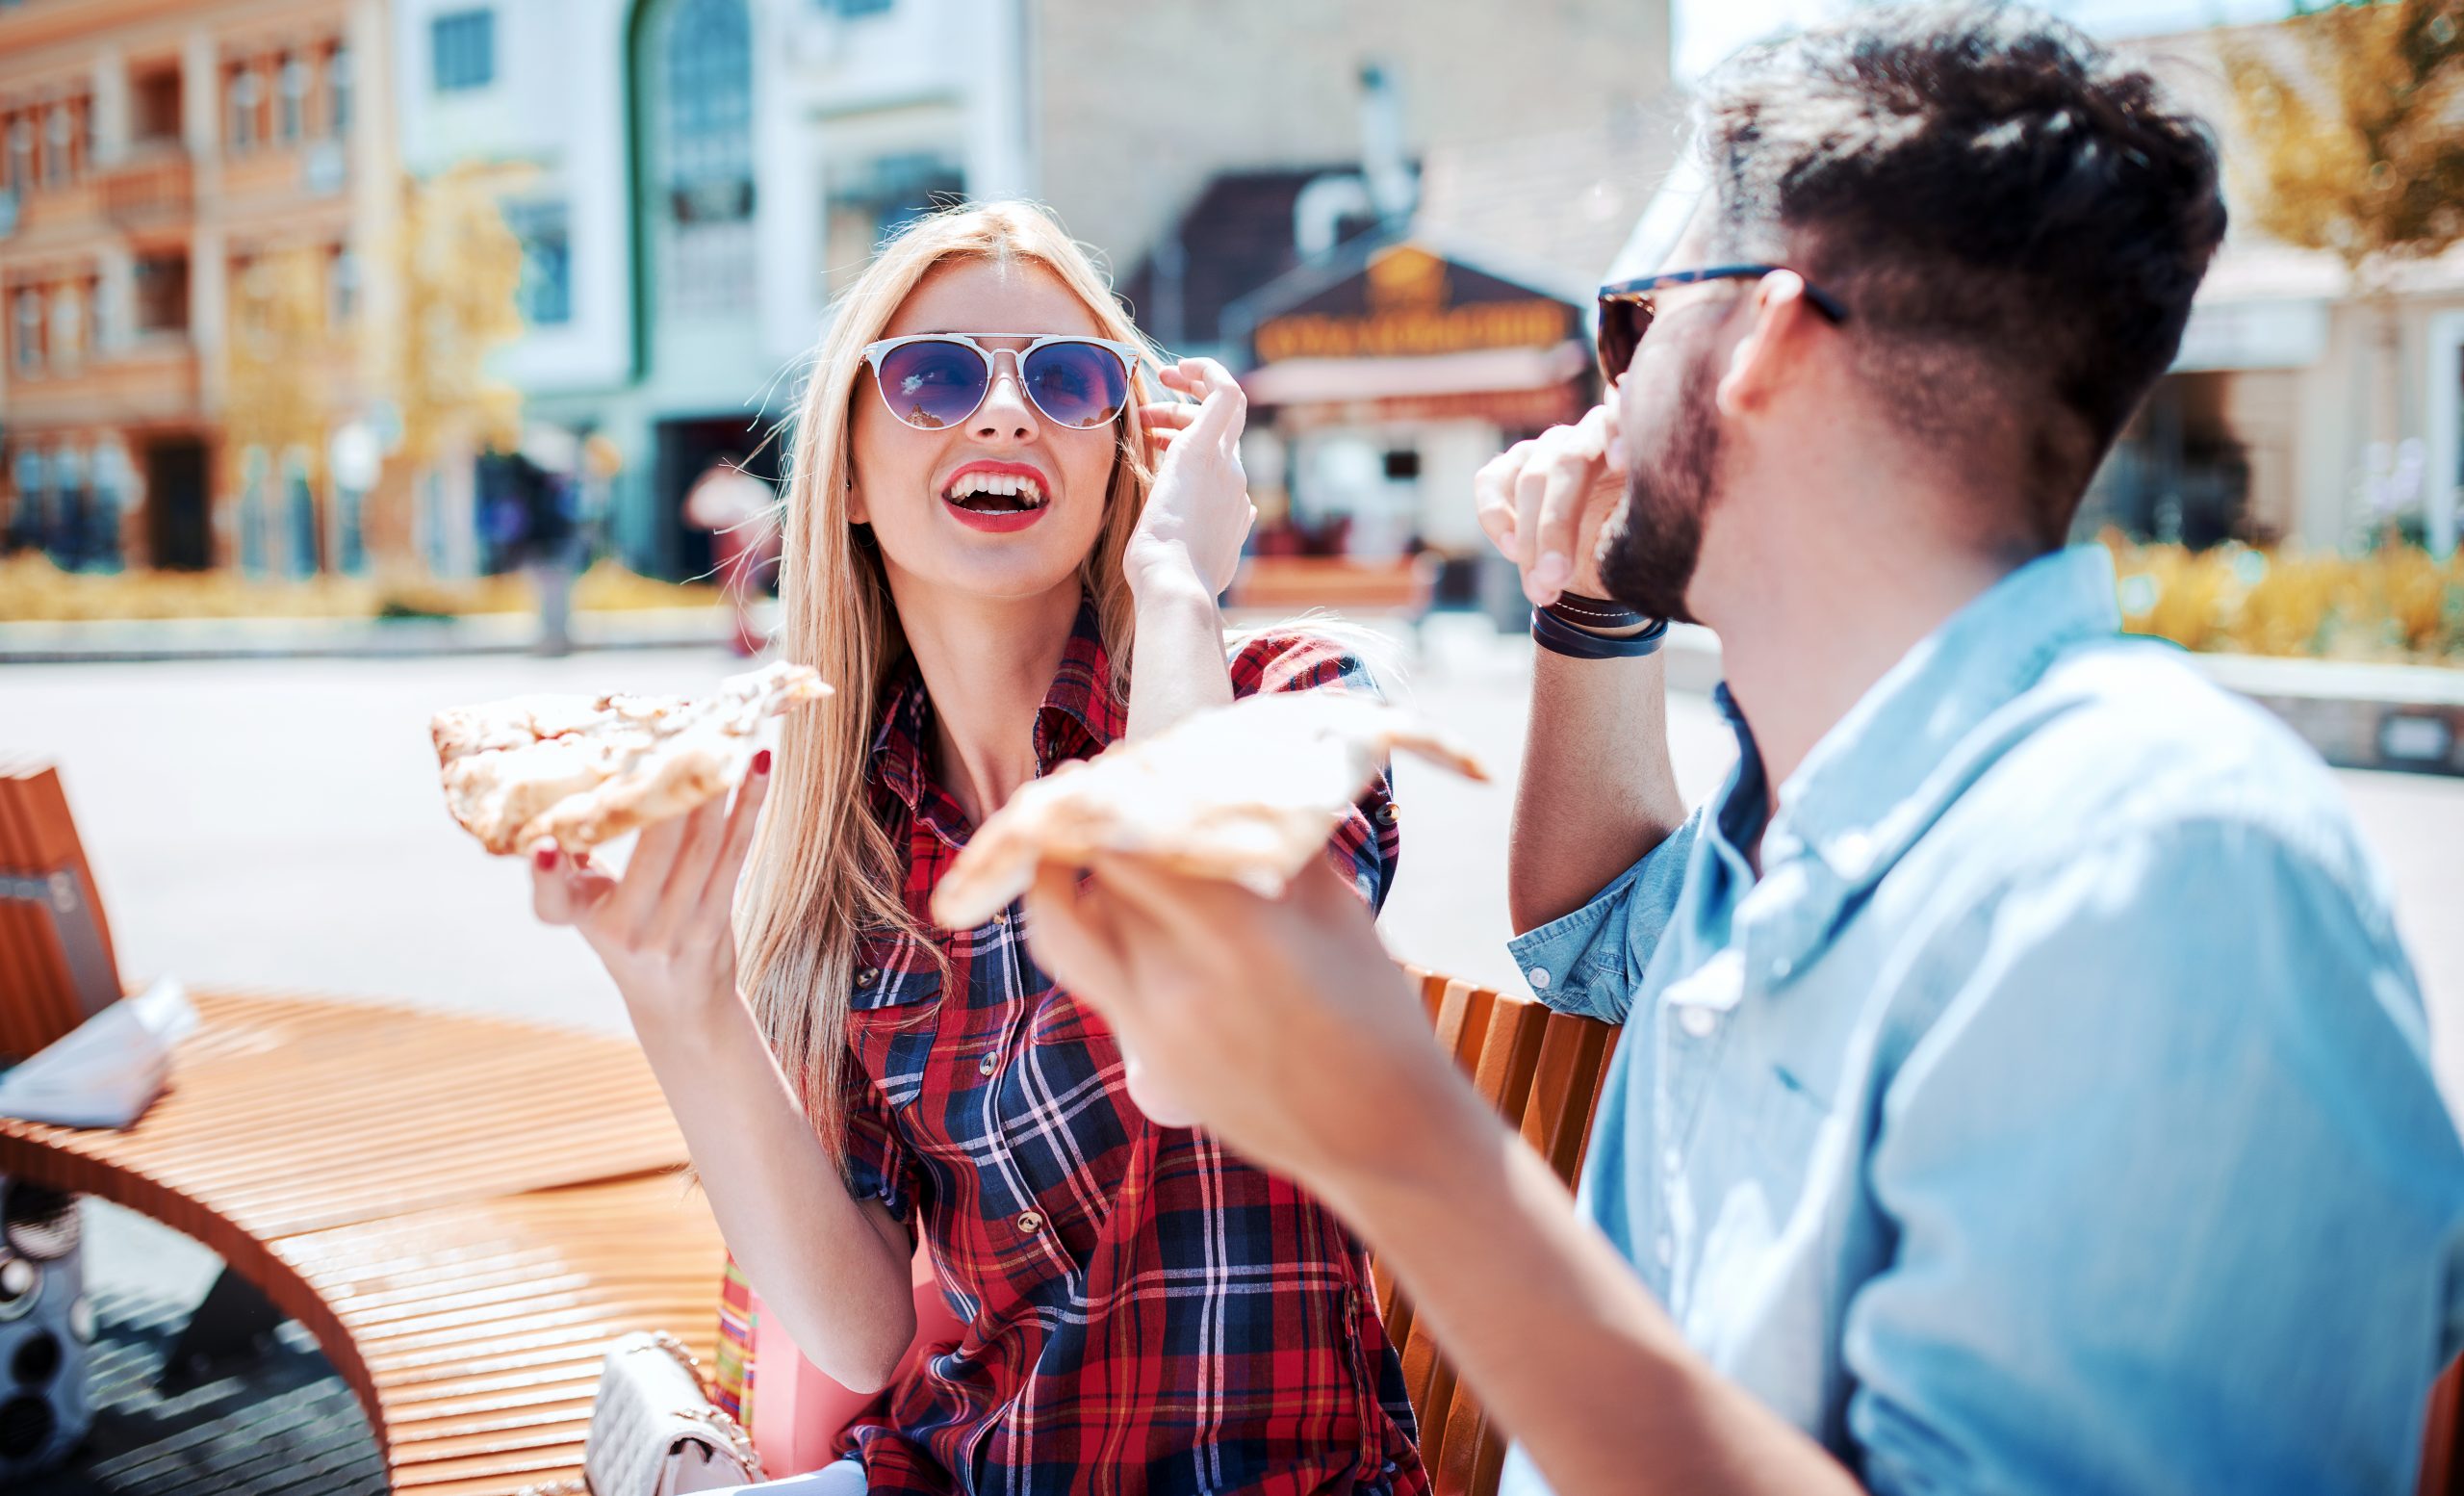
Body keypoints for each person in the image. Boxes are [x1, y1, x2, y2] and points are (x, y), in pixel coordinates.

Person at [1019, 9, 2464, 1495]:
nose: (1596, 403)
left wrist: (1391, 1126)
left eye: (1631, 324)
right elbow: (1591, 927)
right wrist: (1588, 620)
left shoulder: (2155, 875)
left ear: (1763, 339)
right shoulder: (1805, 818)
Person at [530, 202, 1426, 1495]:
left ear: (1128, 456)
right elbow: (858, 1325)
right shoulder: (855, 844)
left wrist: (1176, 578)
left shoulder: (1291, 701)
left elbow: (1197, 1040)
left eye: (1067, 381)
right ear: (843, 473)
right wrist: (680, 1002)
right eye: (937, 374)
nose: (1004, 413)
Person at [686, 456, 784, 657]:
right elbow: (693, 515)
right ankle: (744, 637)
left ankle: (747, 638)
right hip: (733, 551)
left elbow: (769, 525)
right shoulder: (724, 491)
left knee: (745, 595)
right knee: (738, 596)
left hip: (748, 551)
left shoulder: (747, 491)